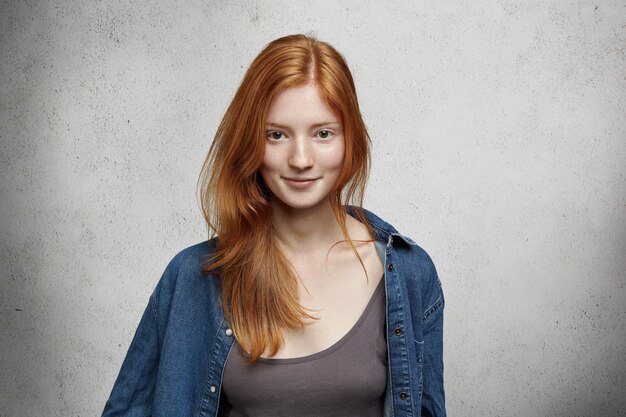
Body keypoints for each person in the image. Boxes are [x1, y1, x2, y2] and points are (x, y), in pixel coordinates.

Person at [102, 34, 446, 417]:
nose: (301, 159)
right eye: (277, 135)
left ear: (351, 140)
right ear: (250, 142)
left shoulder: (410, 275)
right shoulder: (192, 278)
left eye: (323, 133)